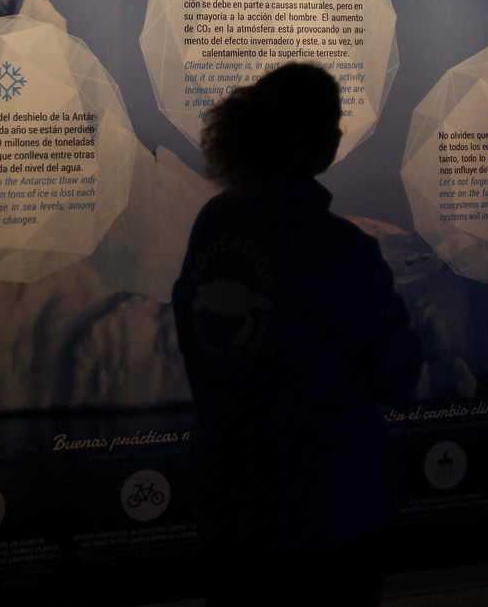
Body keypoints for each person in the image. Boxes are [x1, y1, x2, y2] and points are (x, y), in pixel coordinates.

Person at [172, 62, 423, 605]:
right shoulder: (336, 246)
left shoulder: (214, 222)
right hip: (328, 510)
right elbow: (396, 374)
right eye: (333, 123)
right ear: (316, 140)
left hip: (230, 510)